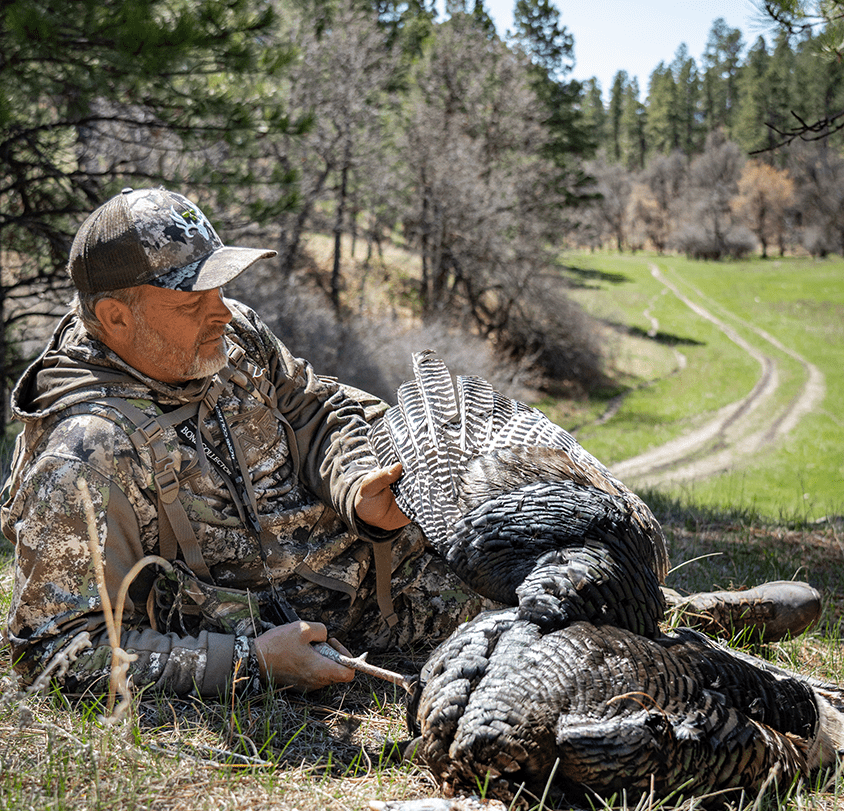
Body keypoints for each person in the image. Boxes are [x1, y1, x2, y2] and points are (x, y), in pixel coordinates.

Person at [1, 187, 483, 698]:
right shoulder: (85, 455)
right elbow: (54, 653)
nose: (223, 313)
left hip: (396, 570)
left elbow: (314, 407)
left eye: (219, 286)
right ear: (117, 316)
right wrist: (250, 664)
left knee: (557, 576)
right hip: (316, 634)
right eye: (192, 296)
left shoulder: (233, 335)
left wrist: (358, 488)